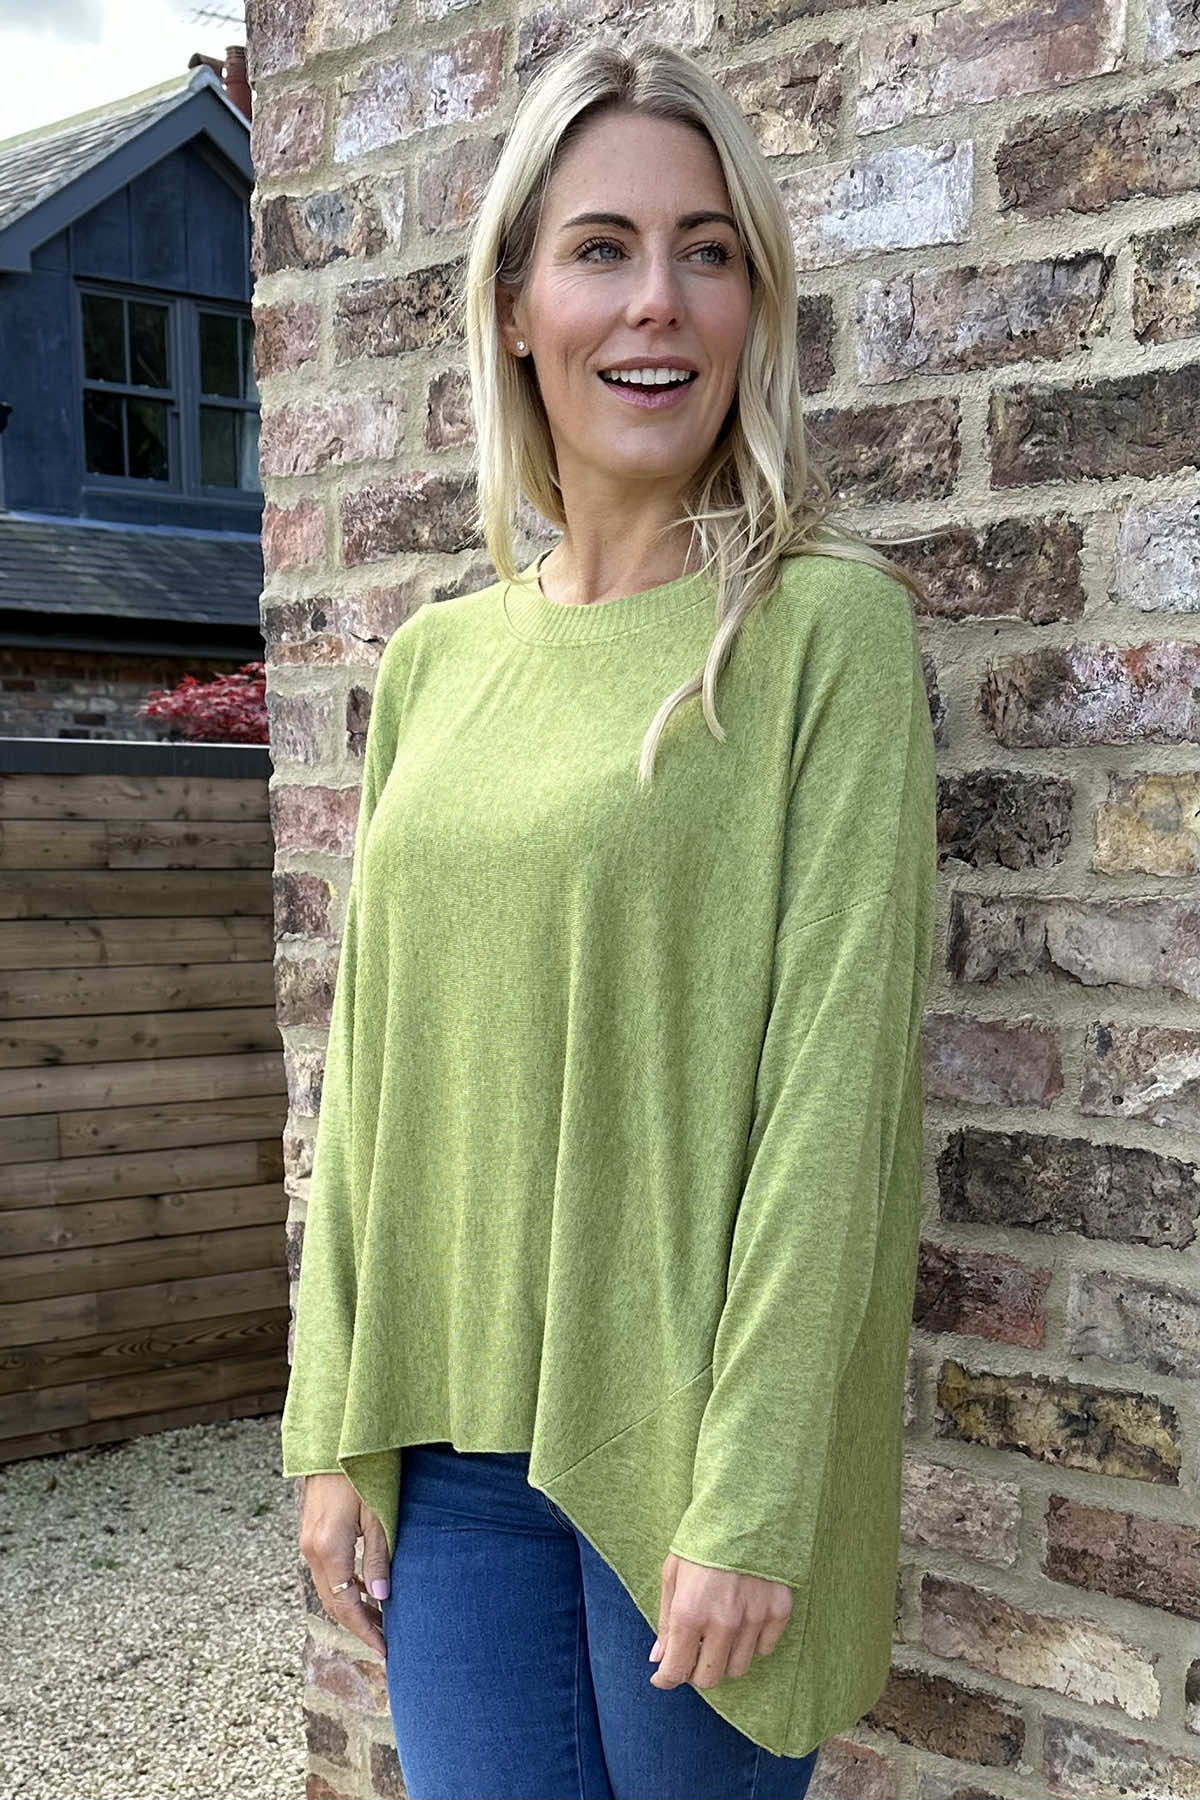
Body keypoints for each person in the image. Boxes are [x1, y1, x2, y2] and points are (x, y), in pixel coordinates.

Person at [280, 37, 938, 1800]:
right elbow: (372, 1073)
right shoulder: (437, 662)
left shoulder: (824, 636)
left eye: (708, 251)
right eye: (602, 248)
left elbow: (837, 1102)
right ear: (514, 308)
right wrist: (332, 1422)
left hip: (688, 1467)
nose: (659, 302)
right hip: (449, 1452)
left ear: (752, 302)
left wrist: (759, 1493)